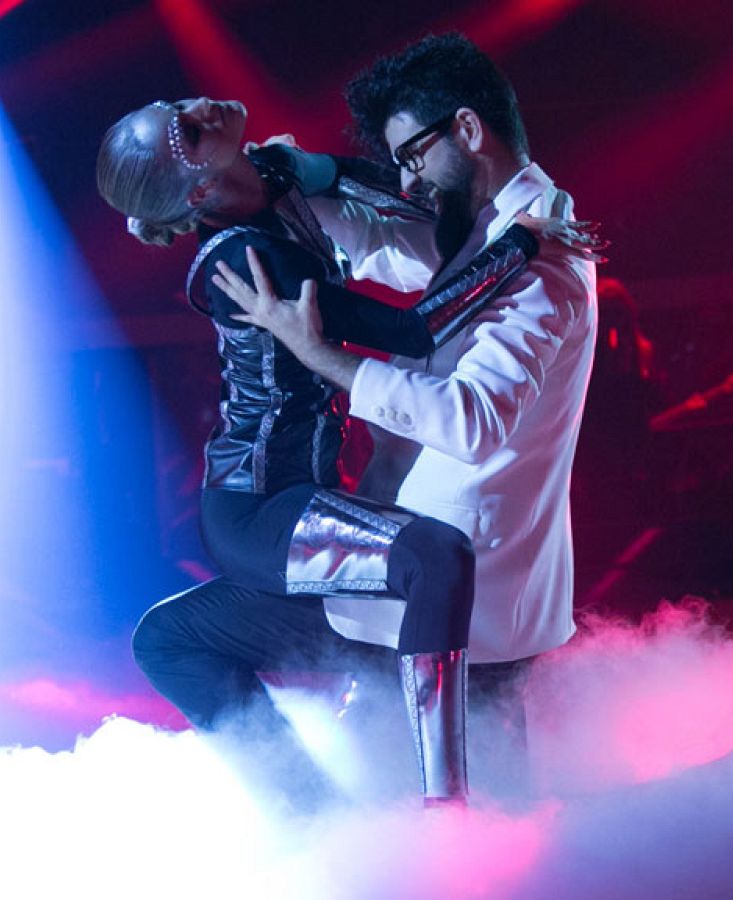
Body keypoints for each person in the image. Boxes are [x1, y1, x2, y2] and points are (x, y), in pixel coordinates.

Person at [98, 98, 596, 807]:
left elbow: (386, 184)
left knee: (169, 637)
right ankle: (421, 810)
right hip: (263, 510)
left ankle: (346, 805)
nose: (202, 107)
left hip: (315, 492)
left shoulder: (269, 169)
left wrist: (321, 168)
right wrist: (521, 242)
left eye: (181, 104)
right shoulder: (245, 259)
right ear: (199, 190)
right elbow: (415, 332)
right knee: (434, 558)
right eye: (190, 131)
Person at [216, 32, 600, 777]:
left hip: (470, 592)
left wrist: (322, 355)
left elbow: (470, 420)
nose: (408, 179)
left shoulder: (543, 260)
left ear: (466, 130)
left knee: (470, 837)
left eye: (413, 157)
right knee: (450, 824)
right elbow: (381, 240)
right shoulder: (489, 229)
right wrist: (283, 184)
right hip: (430, 586)